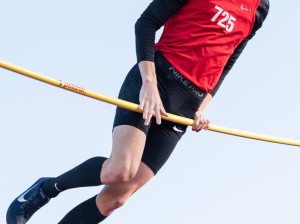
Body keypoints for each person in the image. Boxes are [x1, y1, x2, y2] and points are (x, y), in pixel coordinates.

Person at [6, 0, 269, 223]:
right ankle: (45, 189)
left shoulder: (261, 7)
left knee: (116, 198)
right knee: (119, 170)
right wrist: (150, 85)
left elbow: (228, 60)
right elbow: (146, 22)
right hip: (156, 80)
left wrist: (200, 109)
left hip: (187, 106)